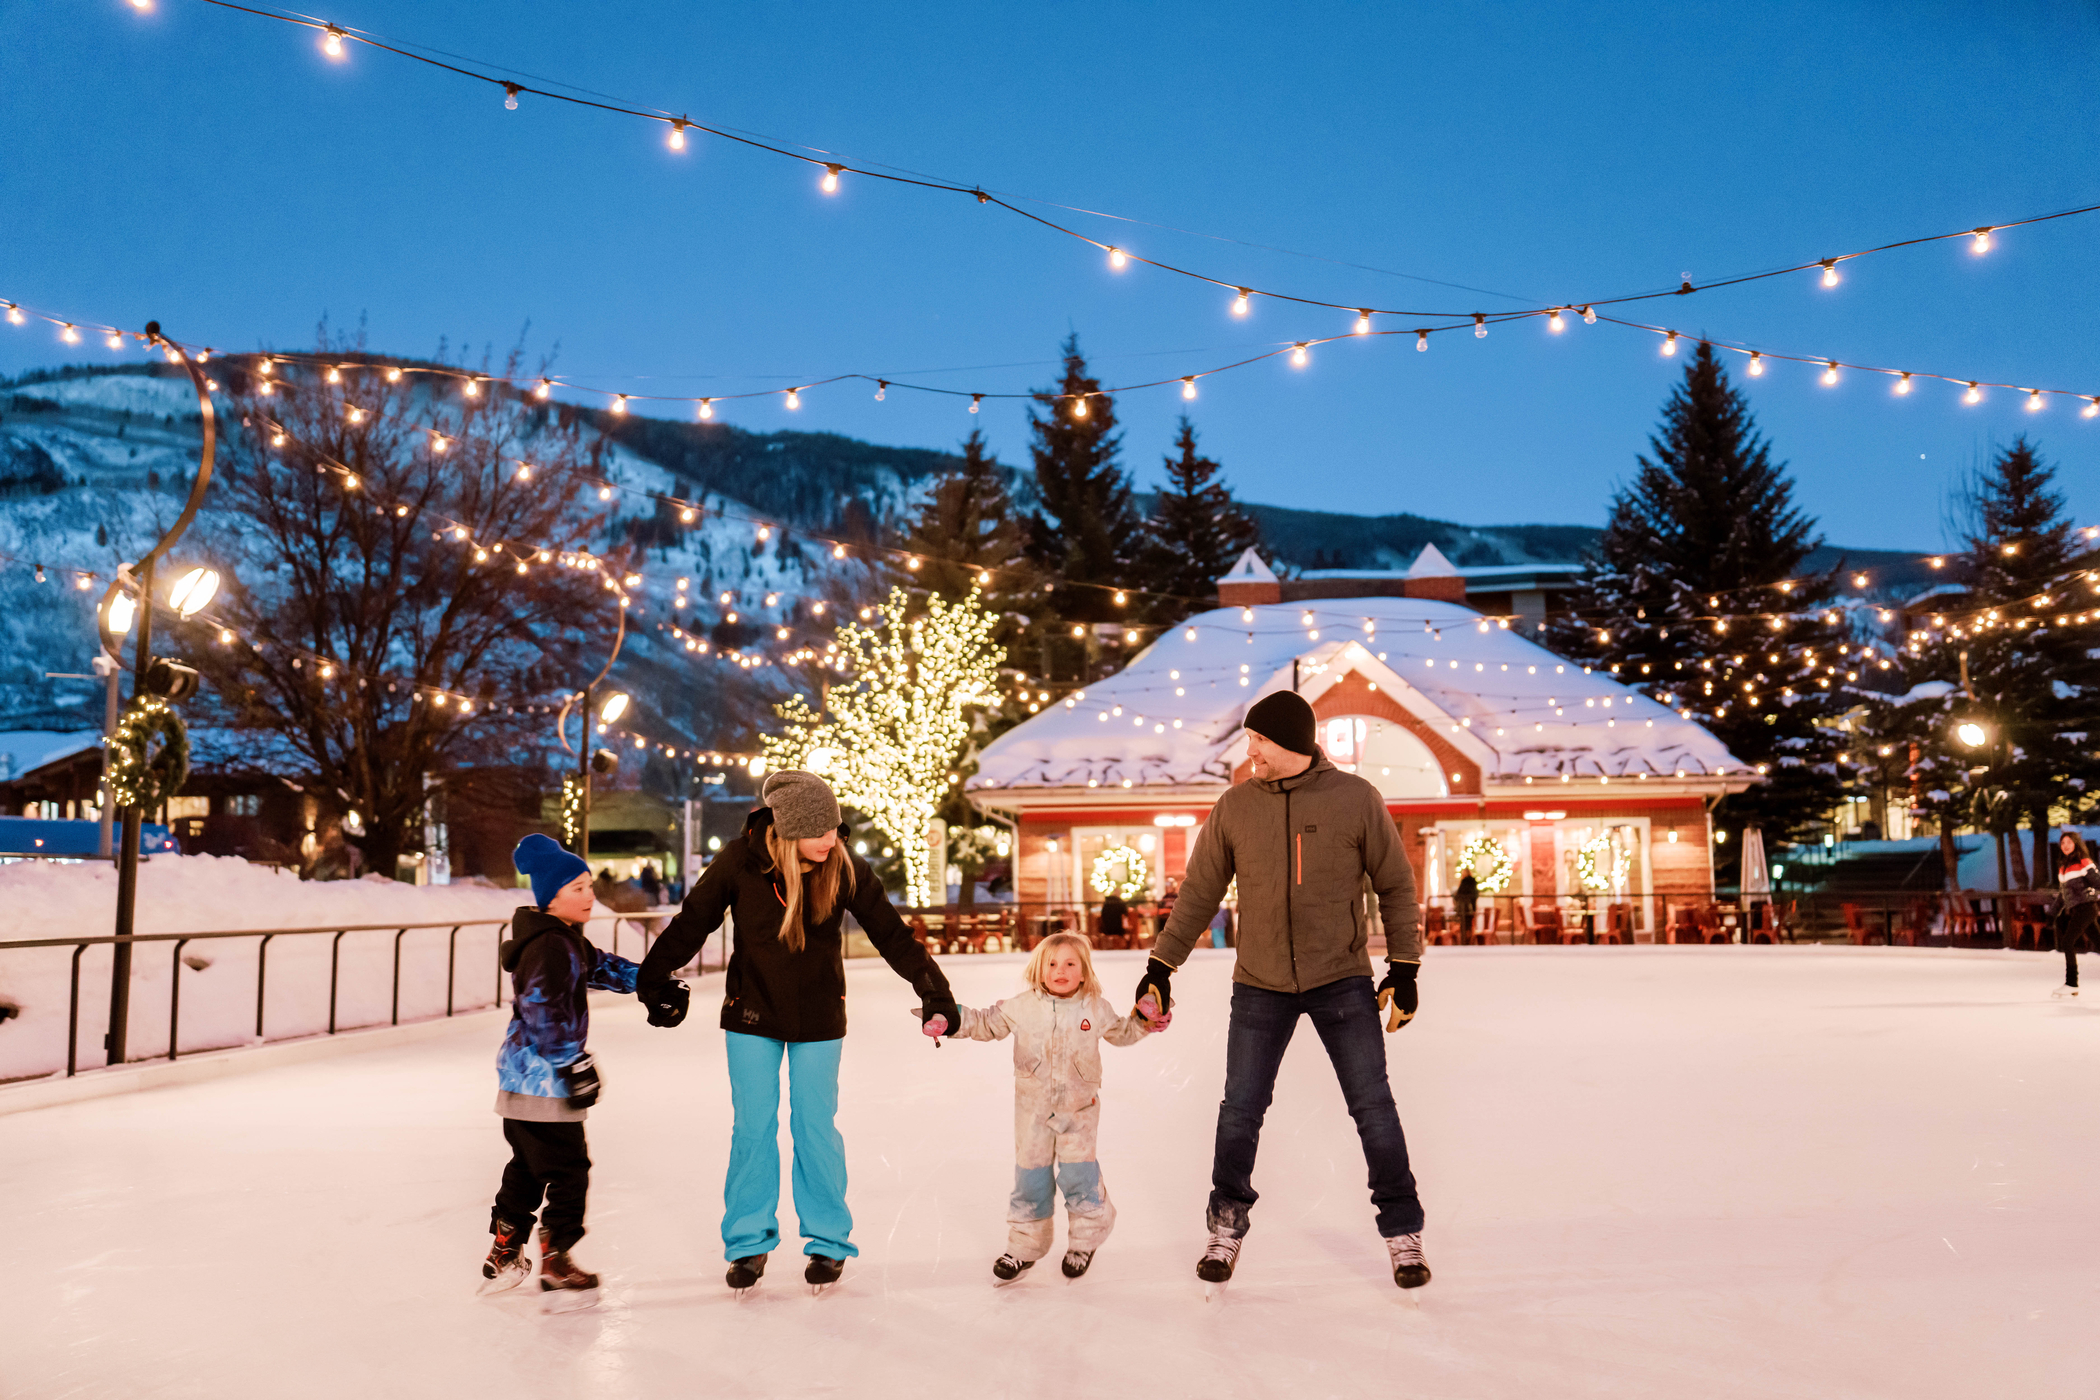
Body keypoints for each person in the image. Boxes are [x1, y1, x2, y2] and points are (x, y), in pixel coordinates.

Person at [1131, 688, 1430, 1292]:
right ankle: (1225, 1226)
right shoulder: (1235, 807)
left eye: (1259, 741)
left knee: (1373, 1107)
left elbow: (1396, 885)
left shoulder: (1356, 800)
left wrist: (1404, 966)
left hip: (1341, 978)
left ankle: (1403, 1232)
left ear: (1289, 742)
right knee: (1240, 1109)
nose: (1251, 752)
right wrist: (1162, 966)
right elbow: (1198, 893)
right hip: (1260, 984)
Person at [634, 770, 961, 1296]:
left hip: (819, 1018)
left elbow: (892, 933)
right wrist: (652, 978)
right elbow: (693, 921)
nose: (832, 840)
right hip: (752, 1014)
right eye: (820, 832)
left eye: (834, 828)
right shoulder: (740, 862)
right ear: (787, 831)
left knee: (815, 1126)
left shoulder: (843, 865)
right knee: (754, 1127)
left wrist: (935, 993)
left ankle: (829, 1240)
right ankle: (747, 1242)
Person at [939, 932, 1166, 1284]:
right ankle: (1024, 1247)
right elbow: (984, 1023)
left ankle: (1086, 1239)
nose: (1061, 970)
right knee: (1030, 1179)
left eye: (1070, 964)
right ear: (1039, 969)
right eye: (1052, 963)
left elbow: (1122, 1032)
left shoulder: (1095, 1006)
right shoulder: (1021, 1006)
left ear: (1084, 972)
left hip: (1080, 1110)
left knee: (1079, 1176)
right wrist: (949, 1018)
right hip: (1032, 1112)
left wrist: (1145, 1021)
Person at [481, 834, 641, 1310]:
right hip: (544, 1084)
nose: (589, 894)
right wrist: (571, 1061)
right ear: (551, 896)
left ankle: (505, 1247)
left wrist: (649, 980)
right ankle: (556, 1259)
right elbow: (542, 1009)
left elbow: (603, 967)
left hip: (521, 1083)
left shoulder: (560, 938)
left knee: (528, 1171)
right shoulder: (551, 946)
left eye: (590, 884)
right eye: (577, 887)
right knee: (571, 1172)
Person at [2052, 831, 2100, 998]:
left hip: (2087, 907)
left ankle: (2071, 983)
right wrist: (2052, 913)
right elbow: (2062, 895)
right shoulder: (2063, 866)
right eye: (2063, 842)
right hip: (2078, 909)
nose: (2065, 845)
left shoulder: (2083, 862)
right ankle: (2071, 984)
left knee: (2067, 941)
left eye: (2069, 842)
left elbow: (2098, 882)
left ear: (2076, 844)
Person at [1453, 871, 1479, 939]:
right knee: (1469, 924)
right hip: (1469, 907)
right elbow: (1474, 896)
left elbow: (1458, 895)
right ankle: (1468, 939)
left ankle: (1464, 939)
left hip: (1463, 907)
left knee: (1463, 924)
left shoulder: (1464, 882)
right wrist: (1474, 908)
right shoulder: (1472, 882)